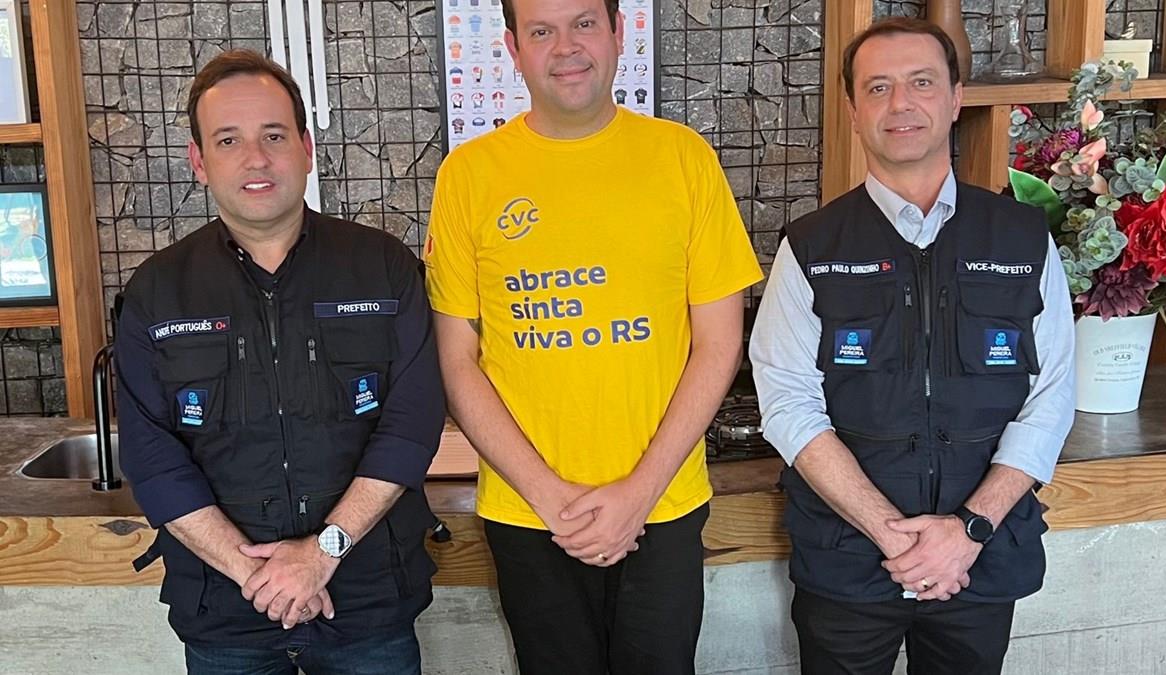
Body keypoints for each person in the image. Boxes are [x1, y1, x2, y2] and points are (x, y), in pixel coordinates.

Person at [424, 0, 763, 672]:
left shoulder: (683, 159)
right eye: (541, 31)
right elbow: (457, 361)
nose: (566, 47)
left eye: (583, 23)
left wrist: (638, 493)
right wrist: (551, 499)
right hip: (528, 514)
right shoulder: (467, 175)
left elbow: (720, 343)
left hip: (662, 506)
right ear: (513, 49)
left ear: (618, 32)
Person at [749, 17, 1076, 675]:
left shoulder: (1021, 238)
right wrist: (891, 534)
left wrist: (968, 530)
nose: (900, 103)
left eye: (921, 83)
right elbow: (787, 405)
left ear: (956, 98)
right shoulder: (811, 246)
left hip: (979, 560)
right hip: (848, 560)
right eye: (878, 87)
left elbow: (1051, 398)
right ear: (852, 111)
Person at [115, 49, 444, 675]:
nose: (256, 158)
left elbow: (411, 427)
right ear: (198, 161)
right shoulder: (157, 292)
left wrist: (321, 554)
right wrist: (262, 576)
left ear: (306, 148)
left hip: (368, 604)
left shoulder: (384, 269)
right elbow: (153, 460)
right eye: (228, 140)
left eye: (273, 135)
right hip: (226, 612)